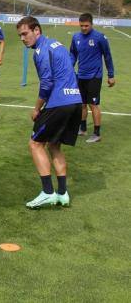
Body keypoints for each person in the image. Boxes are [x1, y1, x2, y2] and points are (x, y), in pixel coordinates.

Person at [16, 16, 81, 209]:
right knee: (54, 146)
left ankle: (47, 192)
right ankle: (62, 194)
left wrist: (37, 108)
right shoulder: (57, 44)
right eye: (20, 35)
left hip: (59, 103)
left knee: (35, 143)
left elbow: (47, 83)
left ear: (37, 31)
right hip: (75, 101)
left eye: (25, 33)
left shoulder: (41, 50)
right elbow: (68, 69)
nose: (22, 38)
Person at [69, 13, 115, 143]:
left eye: (86, 26)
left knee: (93, 104)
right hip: (81, 75)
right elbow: (73, 54)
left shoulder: (99, 37)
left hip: (94, 76)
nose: (83, 28)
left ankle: (97, 133)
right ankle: (82, 129)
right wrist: (70, 68)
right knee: (81, 104)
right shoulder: (76, 37)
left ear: (91, 24)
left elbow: (107, 56)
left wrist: (111, 75)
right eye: (81, 25)